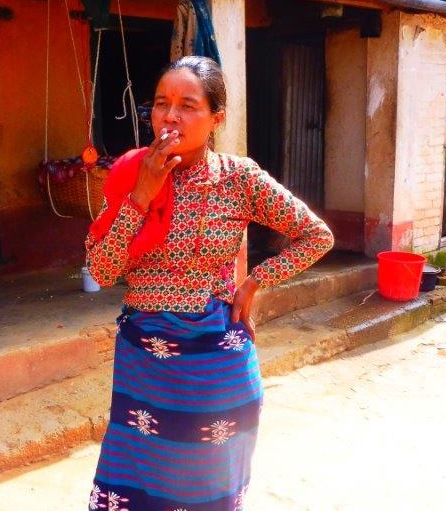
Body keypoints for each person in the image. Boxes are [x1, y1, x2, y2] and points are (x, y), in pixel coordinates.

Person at [84, 55, 334, 510]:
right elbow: (101, 271)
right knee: (134, 482)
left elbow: (317, 235)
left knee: (206, 489)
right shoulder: (129, 173)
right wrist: (143, 194)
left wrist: (254, 282)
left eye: (188, 105)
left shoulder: (238, 178)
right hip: (146, 364)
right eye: (161, 104)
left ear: (216, 118)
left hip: (216, 366)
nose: (170, 116)